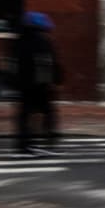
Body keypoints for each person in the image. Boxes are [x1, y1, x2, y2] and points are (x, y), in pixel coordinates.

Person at [6, 11, 62, 155]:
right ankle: (49, 140)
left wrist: (10, 83)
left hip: (22, 85)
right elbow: (48, 63)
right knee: (48, 112)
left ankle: (23, 145)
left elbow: (10, 63)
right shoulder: (43, 41)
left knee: (24, 115)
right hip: (39, 85)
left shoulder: (17, 41)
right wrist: (54, 81)